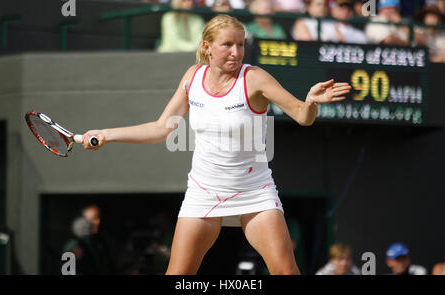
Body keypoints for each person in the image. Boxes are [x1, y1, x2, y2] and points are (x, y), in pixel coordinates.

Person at [81, 14, 351, 275]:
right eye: (228, 45)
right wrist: (107, 133)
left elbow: (303, 116)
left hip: (253, 191)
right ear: (208, 47)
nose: (236, 52)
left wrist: (312, 102)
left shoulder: (255, 77)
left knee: (287, 272)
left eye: (241, 44)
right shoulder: (192, 77)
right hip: (204, 191)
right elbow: (161, 128)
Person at [63, 205, 117, 274]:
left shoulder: (99, 242)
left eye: (98, 218)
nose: (98, 222)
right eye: (94, 218)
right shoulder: (74, 245)